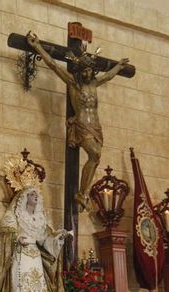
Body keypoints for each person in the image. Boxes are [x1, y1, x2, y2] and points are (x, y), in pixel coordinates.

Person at [26, 32, 130, 212]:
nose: (88, 73)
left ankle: (82, 193)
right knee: (95, 154)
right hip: (82, 125)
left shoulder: (94, 83)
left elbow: (109, 76)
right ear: (80, 71)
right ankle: (81, 194)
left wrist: (119, 66)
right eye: (85, 70)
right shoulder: (74, 83)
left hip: (96, 127)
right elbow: (53, 65)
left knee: (96, 159)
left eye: (90, 70)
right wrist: (37, 47)